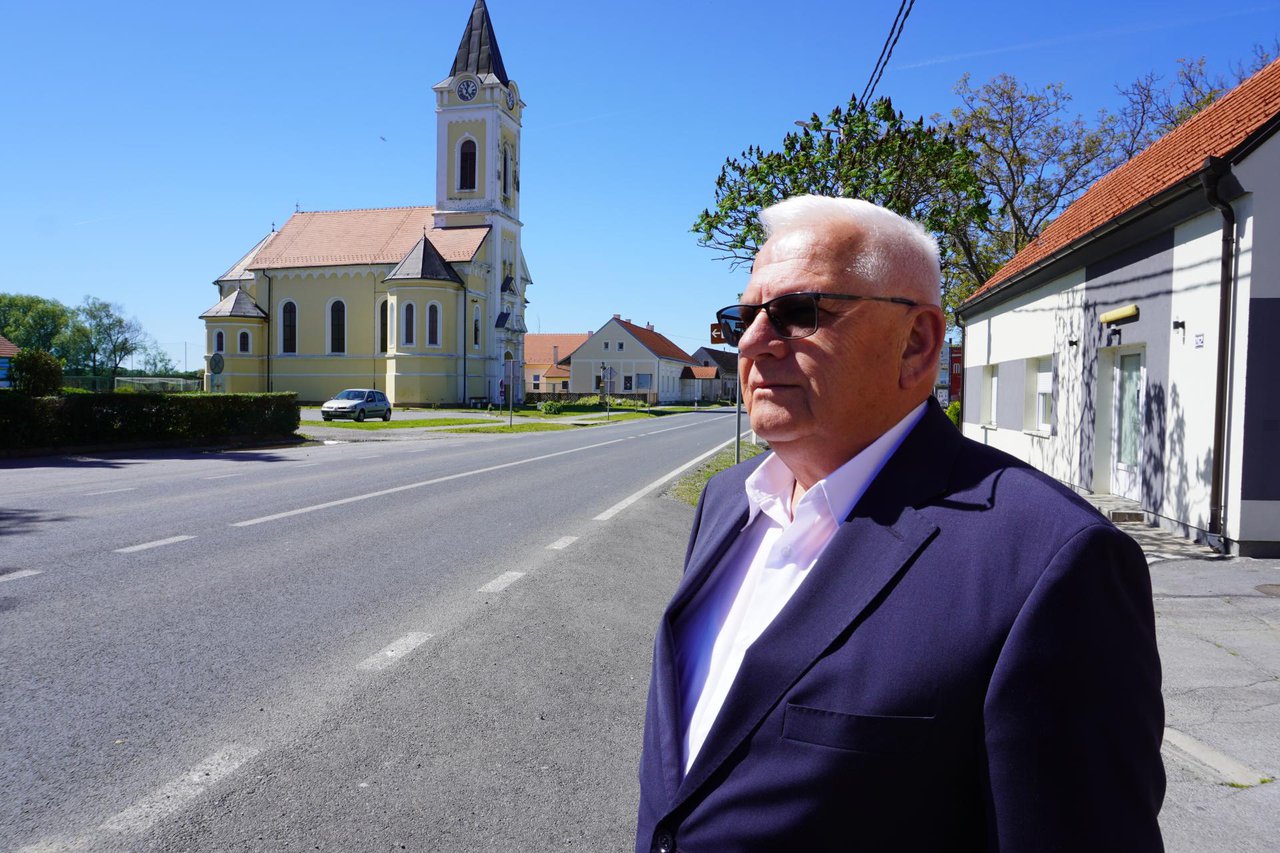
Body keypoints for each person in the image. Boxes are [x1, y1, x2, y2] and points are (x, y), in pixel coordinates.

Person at [636, 195, 1164, 852]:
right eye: (741, 317)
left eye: (798, 313)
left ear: (916, 343)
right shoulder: (725, 503)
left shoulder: (1051, 562)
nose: (751, 342)